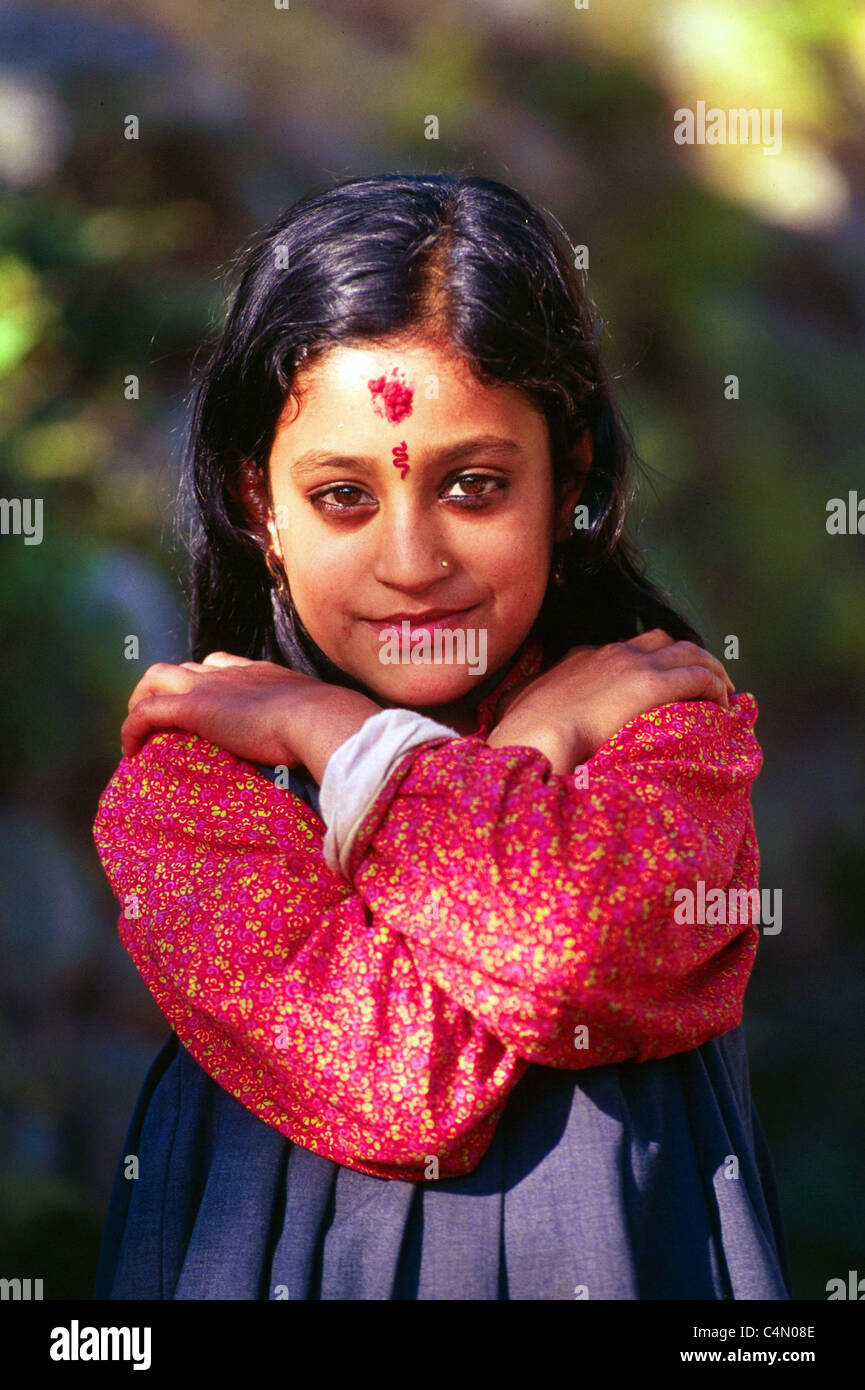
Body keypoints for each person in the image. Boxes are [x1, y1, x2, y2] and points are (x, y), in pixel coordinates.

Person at [92, 172, 791, 1300]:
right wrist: (521, 749)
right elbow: (401, 1082)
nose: (412, 564)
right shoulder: (196, 791)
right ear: (259, 505)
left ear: (568, 478)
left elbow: (560, 952)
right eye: (343, 496)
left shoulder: (664, 732)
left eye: (473, 486)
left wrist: (343, 738)